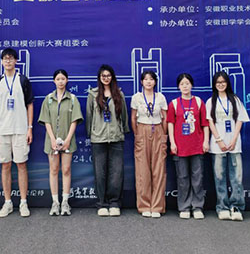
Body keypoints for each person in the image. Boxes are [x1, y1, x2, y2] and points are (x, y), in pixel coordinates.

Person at [0, 48, 34, 218]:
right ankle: (7, 202)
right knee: (5, 165)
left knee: (21, 165)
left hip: (20, 129)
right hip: (2, 130)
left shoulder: (23, 80)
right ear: (1, 62)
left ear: (16, 61)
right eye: (5, 59)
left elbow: (30, 104)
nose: (8, 61)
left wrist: (29, 128)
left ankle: (23, 202)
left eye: (11, 58)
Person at [38, 69, 83, 216]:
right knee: (53, 169)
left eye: (63, 79)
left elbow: (75, 120)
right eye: (58, 79)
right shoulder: (48, 99)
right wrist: (52, 139)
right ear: (54, 81)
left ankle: (65, 203)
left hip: (68, 140)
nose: (61, 81)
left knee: (66, 170)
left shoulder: (73, 99)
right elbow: (46, 121)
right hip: (51, 141)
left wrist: (68, 139)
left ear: (67, 80)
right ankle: (55, 203)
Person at [86, 64, 129, 217]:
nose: (106, 78)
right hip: (98, 138)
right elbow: (89, 116)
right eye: (103, 76)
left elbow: (124, 115)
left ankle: (114, 203)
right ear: (99, 77)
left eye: (108, 75)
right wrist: (91, 133)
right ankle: (102, 203)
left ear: (112, 77)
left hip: (116, 137)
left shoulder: (119, 94)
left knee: (116, 173)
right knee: (100, 173)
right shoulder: (93, 94)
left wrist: (123, 131)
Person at [206, 71, 249, 221]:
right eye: (218, 82)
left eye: (223, 82)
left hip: (234, 144)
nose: (221, 84)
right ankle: (222, 207)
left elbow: (240, 119)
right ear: (214, 84)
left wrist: (234, 139)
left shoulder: (235, 99)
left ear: (227, 83)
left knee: (237, 177)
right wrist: (219, 140)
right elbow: (210, 122)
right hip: (217, 145)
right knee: (219, 177)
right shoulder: (211, 101)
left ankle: (236, 206)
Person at [167, 73, 209, 220]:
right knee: (182, 178)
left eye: (187, 83)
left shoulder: (199, 102)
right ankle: (184, 207)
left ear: (192, 85)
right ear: (178, 87)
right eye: (182, 84)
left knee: (198, 177)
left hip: (197, 146)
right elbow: (170, 124)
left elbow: (205, 124)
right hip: (180, 147)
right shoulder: (174, 104)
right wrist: (172, 143)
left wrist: (206, 141)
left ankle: (197, 206)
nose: (185, 86)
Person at [130, 71, 168, 218]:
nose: (148, 82)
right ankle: (144, 205)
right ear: (141, 82)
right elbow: (133, 118)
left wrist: (164, 135)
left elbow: (165, 118)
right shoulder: (136, 97)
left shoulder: (161, 97)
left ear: (155, 82)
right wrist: (137, 134)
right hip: (142, 129)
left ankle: (157, 206)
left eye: (151, 79)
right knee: (142, 170)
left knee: (159, 169)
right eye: (145, 79)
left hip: (157, 129)